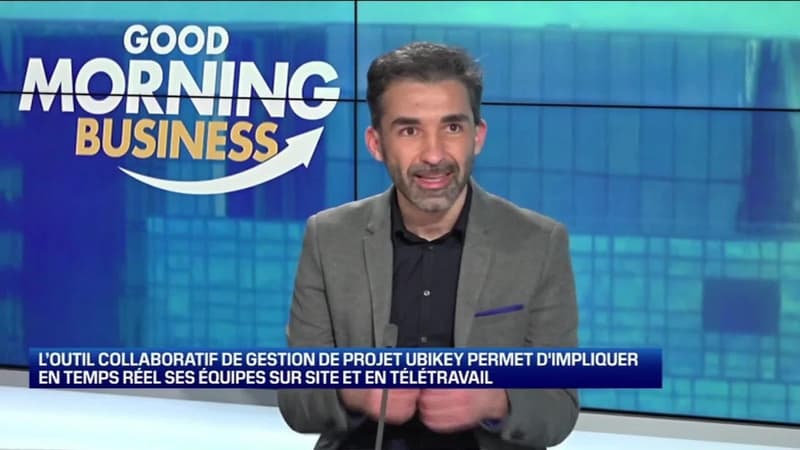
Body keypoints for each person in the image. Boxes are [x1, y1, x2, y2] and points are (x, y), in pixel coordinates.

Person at [278, 41, 579, 450]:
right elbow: (295, 400)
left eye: (452, 127)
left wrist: (494, 400)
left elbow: (559, 407)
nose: (434, 154)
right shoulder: (329, 237)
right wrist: (353, 390)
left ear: (477, 136)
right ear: (376, 144)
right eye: (409, 130)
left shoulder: (539, 243)